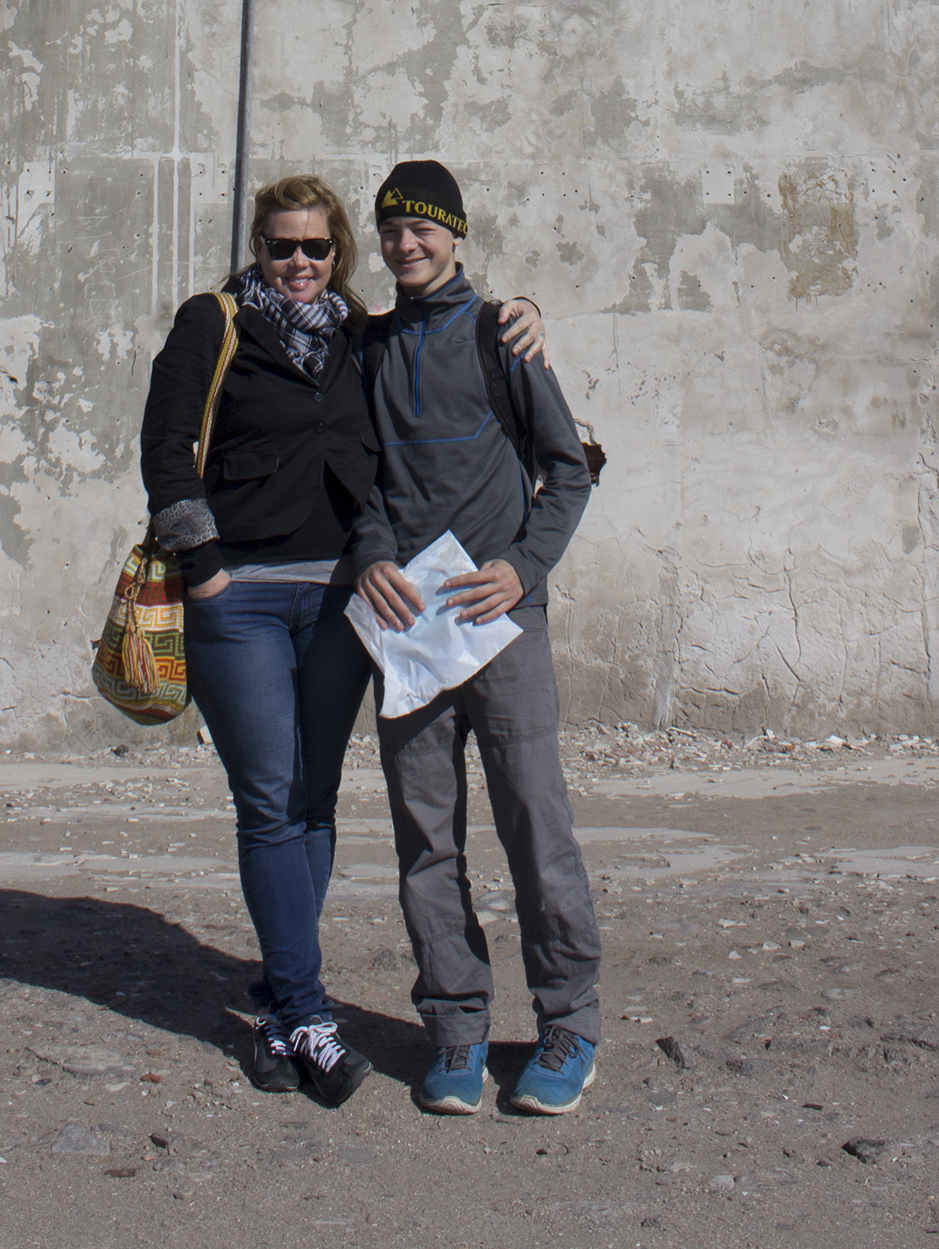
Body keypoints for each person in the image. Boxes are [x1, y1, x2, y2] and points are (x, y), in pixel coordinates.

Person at [138, 175, 547, 1110]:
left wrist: (523, 311)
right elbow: (165, 447)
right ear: (258, 247)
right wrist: (204, 569)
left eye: (316, 249)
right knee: (271, 800)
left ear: (338, 256)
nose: (297, 263)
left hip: (340, 601)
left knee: (317, 801)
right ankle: (308, 1010)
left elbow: (447, 326)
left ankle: (284, 1008)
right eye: (282, 246)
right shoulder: (213, 322)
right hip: (238, 596)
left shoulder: (357, 334)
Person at [350, 160, 601, 1119]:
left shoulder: (503, 333)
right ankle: (454, 1030)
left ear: (454, 233)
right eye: (392, 229)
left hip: (501, 624)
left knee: (536, 826)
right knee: (424, 837)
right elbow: (363, 481)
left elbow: (566, 470)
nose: (406, 244)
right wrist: (373, 551)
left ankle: (569, 1024)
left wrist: (524, 569)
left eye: (423, 228)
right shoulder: (371, 347)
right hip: (410, 631)